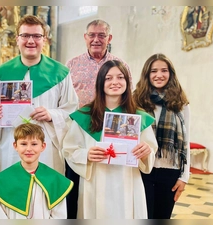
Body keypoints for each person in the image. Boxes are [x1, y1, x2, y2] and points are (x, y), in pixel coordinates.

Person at [62, 60, 158, 219]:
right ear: (100, 83)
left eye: (120, 77)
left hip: (128, 182)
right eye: (108, 78)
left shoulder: (138, 117)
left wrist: (146, 152)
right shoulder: (85, 116)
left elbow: (150, 151)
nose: (115, 82)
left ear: (127, 82)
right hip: (95, 183)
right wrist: (86, 154)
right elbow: (69, 149)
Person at [0, 15, 78, 175]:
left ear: (45, 40)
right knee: (12, 191)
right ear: (17, 39)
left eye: (36, 36)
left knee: (44, 192)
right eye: (25, 35)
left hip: (46, 148)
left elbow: (72, 111)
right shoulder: (1, 74)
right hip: (11, 145)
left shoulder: (60, 73)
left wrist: (52, 114)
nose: (31, 41)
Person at [64, 19, 132, 218]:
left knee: (112, 189)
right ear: (85, 38)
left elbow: (129, 99)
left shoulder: (121, 66)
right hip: (83, 130)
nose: (96, 39)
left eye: (101, 35)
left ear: (109, 38)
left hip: (114, 133)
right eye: (92, 35)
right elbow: (66, 101)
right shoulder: (72, 65)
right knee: (76, 189)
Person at [133, 53, 190, 219]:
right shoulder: (136, 100)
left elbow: (186, 141)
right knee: (142, 216)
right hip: (142, 168)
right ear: (147, 74)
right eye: (153, 71)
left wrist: (184, 177)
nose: (159, 75)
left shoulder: (181, 103)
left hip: (170, 170)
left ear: (170, 74)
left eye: (164, 70)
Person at [0, 123, 73, 219]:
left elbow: (59, 216)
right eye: (23, 144)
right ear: (15, 146)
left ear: (43, 146)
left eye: (34, 144)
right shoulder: (2, 181)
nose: (29, 149)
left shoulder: (55, 180)